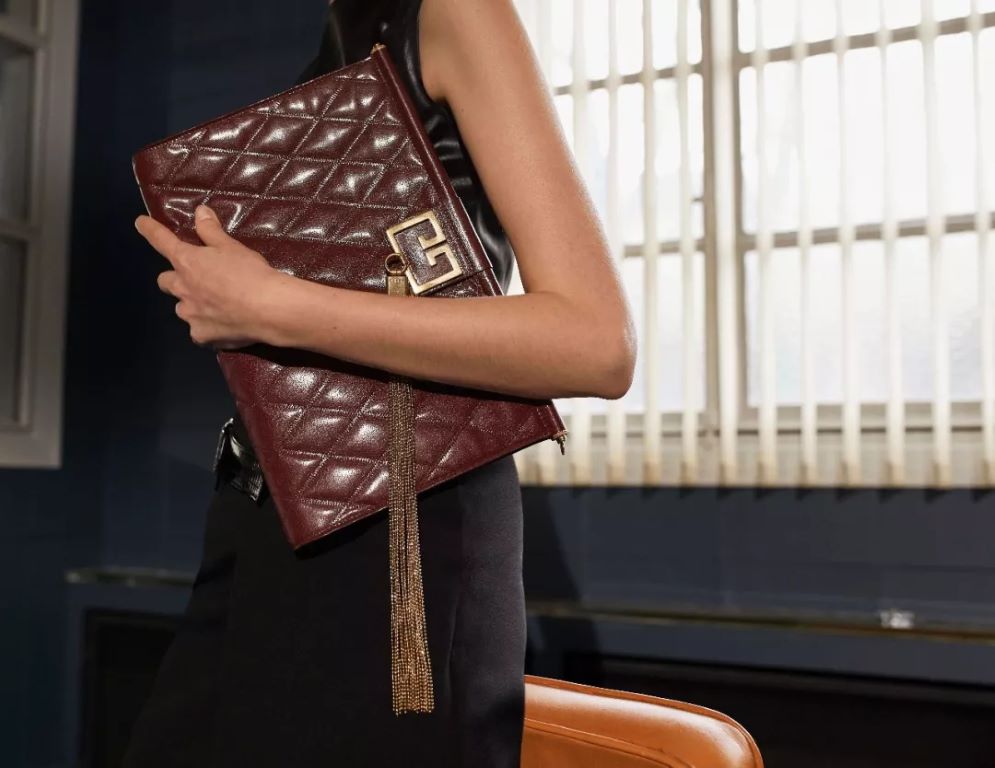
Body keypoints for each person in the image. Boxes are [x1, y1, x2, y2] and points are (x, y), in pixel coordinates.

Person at [124, 0, 635, 765]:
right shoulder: (344, 27)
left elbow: (594, 344)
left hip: (399, 525)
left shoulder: (454, 10)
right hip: (272, 509)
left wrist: (276, 307)